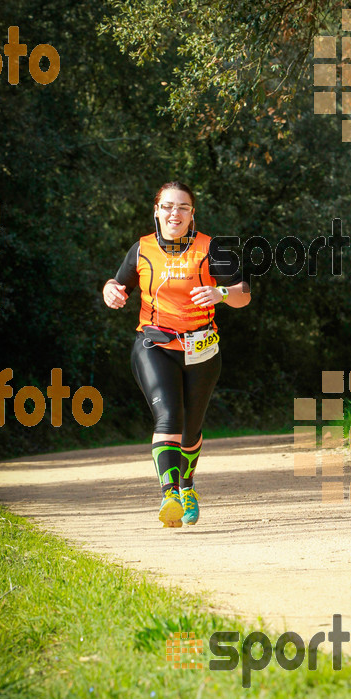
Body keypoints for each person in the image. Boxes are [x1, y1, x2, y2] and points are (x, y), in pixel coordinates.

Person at [103, 181, 250, 527]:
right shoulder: (141, 250)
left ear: (192, 214)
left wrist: (222, 293)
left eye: (183, 207)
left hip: (201, 348)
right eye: (168, 206)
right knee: (168, 417)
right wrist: (110, 291)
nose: (175, 213)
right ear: (157, 211)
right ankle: (169, 493)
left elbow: (244, 292)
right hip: (154, 345)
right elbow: (116, 284)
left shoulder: (212, 249)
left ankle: (187, 486)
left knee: (191, 426)